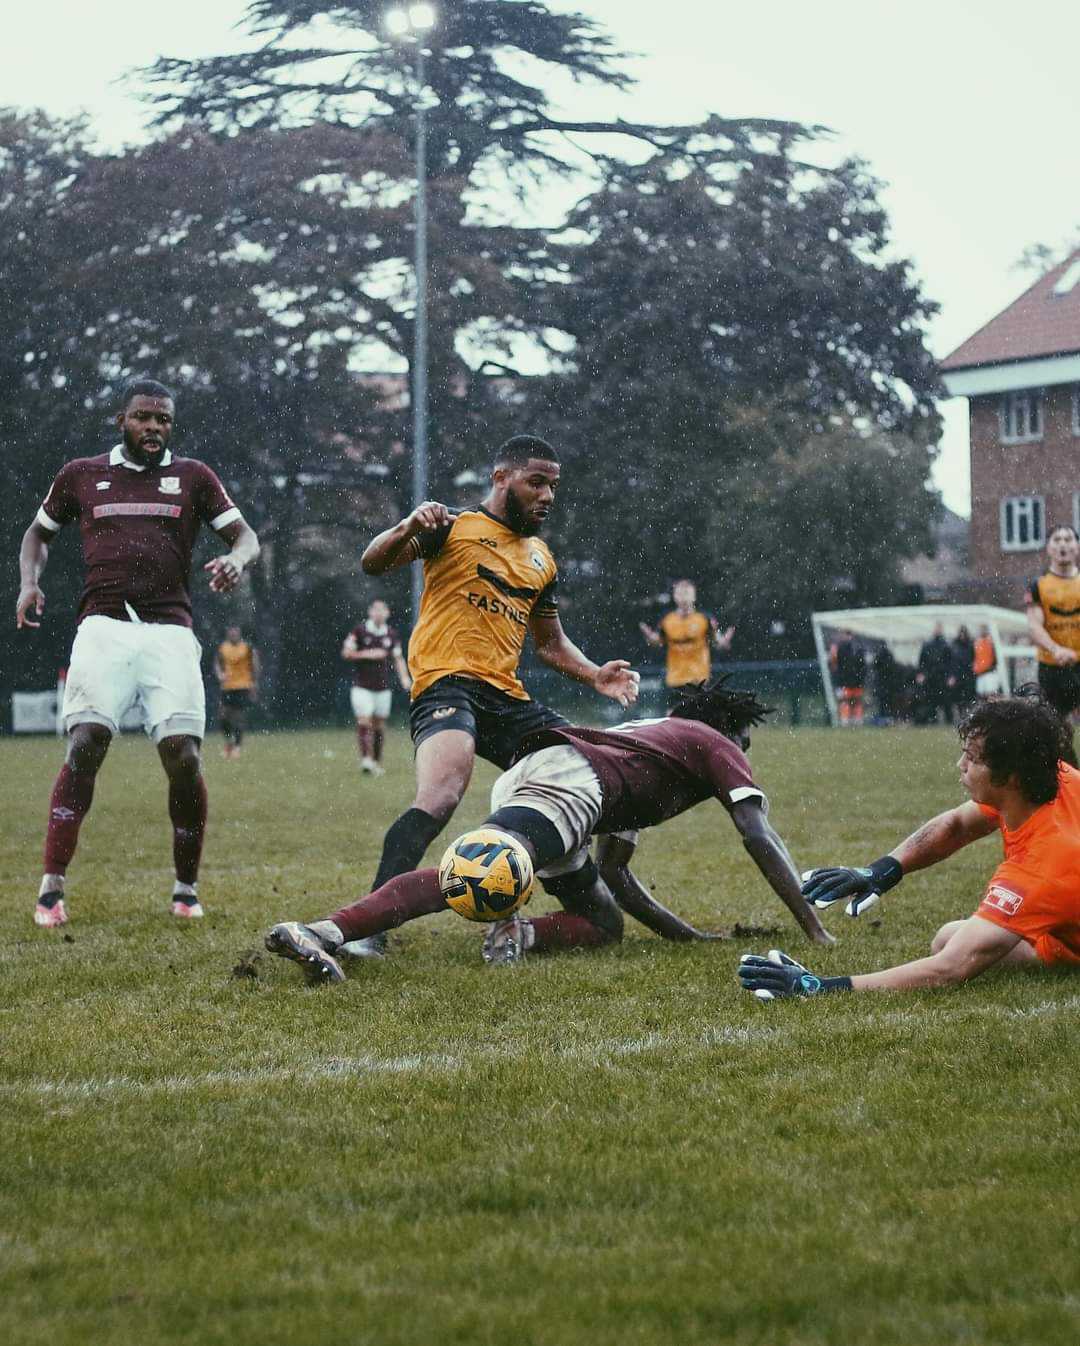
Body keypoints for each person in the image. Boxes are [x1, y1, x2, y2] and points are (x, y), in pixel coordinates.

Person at [264, 677, 834, 984]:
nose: (743, 757)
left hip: (564, 780)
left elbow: (617, 877)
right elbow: (758, 834)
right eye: (744, 744)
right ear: (727, 731)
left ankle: (519, 934)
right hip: (570, 783)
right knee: (473, 874)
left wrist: (690, 938)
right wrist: (813, 929)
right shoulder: (711, 742)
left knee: (602, 923)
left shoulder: (660, 749)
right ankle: (325, 930)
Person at [357, 434, 640, 943]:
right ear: (501, 479)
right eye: (536, 482)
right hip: (446, 684)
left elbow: (550, 646)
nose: (547, 495)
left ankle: (585, 911)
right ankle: (367, 928)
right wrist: (405, 527)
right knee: (441, 796)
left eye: (553, 486)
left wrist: (595, 673)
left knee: (590, 767)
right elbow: (373, 563)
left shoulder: (541, 561)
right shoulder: (453, 527)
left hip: (506, 698)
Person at [15, 379, 260, 926]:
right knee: (87, 741)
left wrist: (237, 561)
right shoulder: (82, 474)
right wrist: (29, 583)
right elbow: (37, 533)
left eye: (164, 420)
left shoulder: (193, 477)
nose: (154, 427)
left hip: (170, 630)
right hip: (102, 626)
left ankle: (186, 888)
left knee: (184, 755)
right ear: (121, 420)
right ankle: (52, 886)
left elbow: (245, 537)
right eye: (144, 417)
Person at [737, 696, 1080, 999]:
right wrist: (883, 870)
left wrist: (819, 986)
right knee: (949, 937)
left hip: (1060, 904)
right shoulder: (1051, 777)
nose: (961, 765)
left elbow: (948, 969)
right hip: (1061, 904)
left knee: (955, 948)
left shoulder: (1040, 869)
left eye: (974, 759)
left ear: (1012, 777)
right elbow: (957, 826)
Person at [341, 598, 410, 775]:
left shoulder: (391, 635)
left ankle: (376, 762)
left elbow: (398, 658)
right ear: (370, 612)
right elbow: (346, 653)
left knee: (379, 725)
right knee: (364, 721)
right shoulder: (360, 631)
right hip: (361, 686)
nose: (379, 613)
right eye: (376, 609)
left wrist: (404, 677)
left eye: (382, 610)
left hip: (382, 687)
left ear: (387, 613)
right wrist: (368, 654)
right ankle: (366, 760)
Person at [639, 579, 734, 706]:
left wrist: (724, 642)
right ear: (674, 597)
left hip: (698, 680)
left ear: (694, 596)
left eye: (687, 594)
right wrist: (650, 638)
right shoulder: (667, 620)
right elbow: (657, 641)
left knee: (699, 719)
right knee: (673, 717)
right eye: (680, 594)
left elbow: (717, 641)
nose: (684, 598)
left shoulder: (704, 619)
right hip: (675, 679)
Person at [1025, 523, 1080, 717]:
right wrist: (1057, 650)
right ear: (1049, 548)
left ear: (1077, 546)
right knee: (1054, 729)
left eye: (1068, 539)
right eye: (1057, 539)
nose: (1063, 544)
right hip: (1052, 667)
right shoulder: (1037, 585)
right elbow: (1034, 627)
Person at [215, 625, 260, 759]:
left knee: (238, 717)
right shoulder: (223, 648)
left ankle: (237, 747)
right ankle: (230, 741)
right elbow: (217, 663)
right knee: (223, 716)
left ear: (239, 633)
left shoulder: (247, 647)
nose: (233, 634)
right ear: (228, 633)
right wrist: (219, 675)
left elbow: (255, 663)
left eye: (236, 632)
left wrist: (254, 683)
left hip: (243, 686)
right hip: (228, 686)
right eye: (231, 632)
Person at [915, 622, 957, 724]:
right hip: (931, 677)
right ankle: (933, 721)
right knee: (931, 701)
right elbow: (922, 661)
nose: (938, 630)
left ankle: (949, 721)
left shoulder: (947, 645)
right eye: (937, 628)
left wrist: (951, 676)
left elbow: (951, 662)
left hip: (943, 678)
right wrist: (921, 673)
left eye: (940, 628)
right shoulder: (928, 645)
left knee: (946, 701)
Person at [827, 629, 867, 726]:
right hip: (846, 681)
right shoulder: (840, 649)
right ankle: (846, 720)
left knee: (856, 701)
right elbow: (834, 665)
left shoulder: (857, 649)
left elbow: (862, 666)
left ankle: (856, 720)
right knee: (846, 701)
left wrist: (860, 677)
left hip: (854, 681)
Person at [951, 624, 977, 711]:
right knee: (959, 697)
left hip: (968, 674)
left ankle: (967, 712)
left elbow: (973, 658)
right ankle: (961, 712)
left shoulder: (970, 645)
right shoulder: (955, 645)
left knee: (968, 696)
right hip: (959, 674)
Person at [973, 624, 998, 698]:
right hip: (980, 673)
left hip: (988, 672)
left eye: (984, 629)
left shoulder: (990, 642)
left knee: (990, 693)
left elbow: (995, 658)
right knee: (981, 694)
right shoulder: (977, 643)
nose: (982, 631)